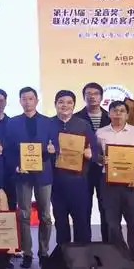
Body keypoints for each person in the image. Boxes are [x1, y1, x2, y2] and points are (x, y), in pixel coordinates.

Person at [94, 100, 134, 269]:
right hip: (108, 183)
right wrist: (101, 160)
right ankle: (120, 255)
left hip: (131, 184)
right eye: (114, 111)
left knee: (133, 222)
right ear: (109, 114)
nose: (118, 113)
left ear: (127, 114)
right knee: (112, 223)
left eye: (121, 111)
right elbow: (97, 157)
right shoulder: (100, 133)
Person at [4, 87, 55, 268]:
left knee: (45, 216)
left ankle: (44, 251)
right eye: (24, 99)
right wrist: (16, 166)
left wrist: (53, 149)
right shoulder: (12, 122)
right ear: (20, 101)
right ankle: (27, 252)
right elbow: (8, 149)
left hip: (43, 173)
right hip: (22, 174)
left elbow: (55, 144)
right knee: (24, 214)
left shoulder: (48, 122)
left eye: (30, 98)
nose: (27, 102)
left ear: (36, 100)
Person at [48, 90, 97, 246]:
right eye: (61, 102)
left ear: (74, 105)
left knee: (82, 220)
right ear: (55, 104)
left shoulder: (83, 125)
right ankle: (63, 254)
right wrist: (47, 150)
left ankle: (83, 255)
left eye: (69, 102)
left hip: (79, 181)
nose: (65, 105)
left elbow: (96, 150)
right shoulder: (48, 124)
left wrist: (91, 153)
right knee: (60, 221)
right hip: (56, 182)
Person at [80, 83, 111, 242]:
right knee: (83, 208)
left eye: (96, 93)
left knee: (106, 208)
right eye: (88, 94)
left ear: (101, 97)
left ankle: (108, 245)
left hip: (106, 170)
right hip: (82, 170)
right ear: (84, 97)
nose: (92, 96)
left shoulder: (112, 117)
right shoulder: (76, 118)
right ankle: (84, 245)